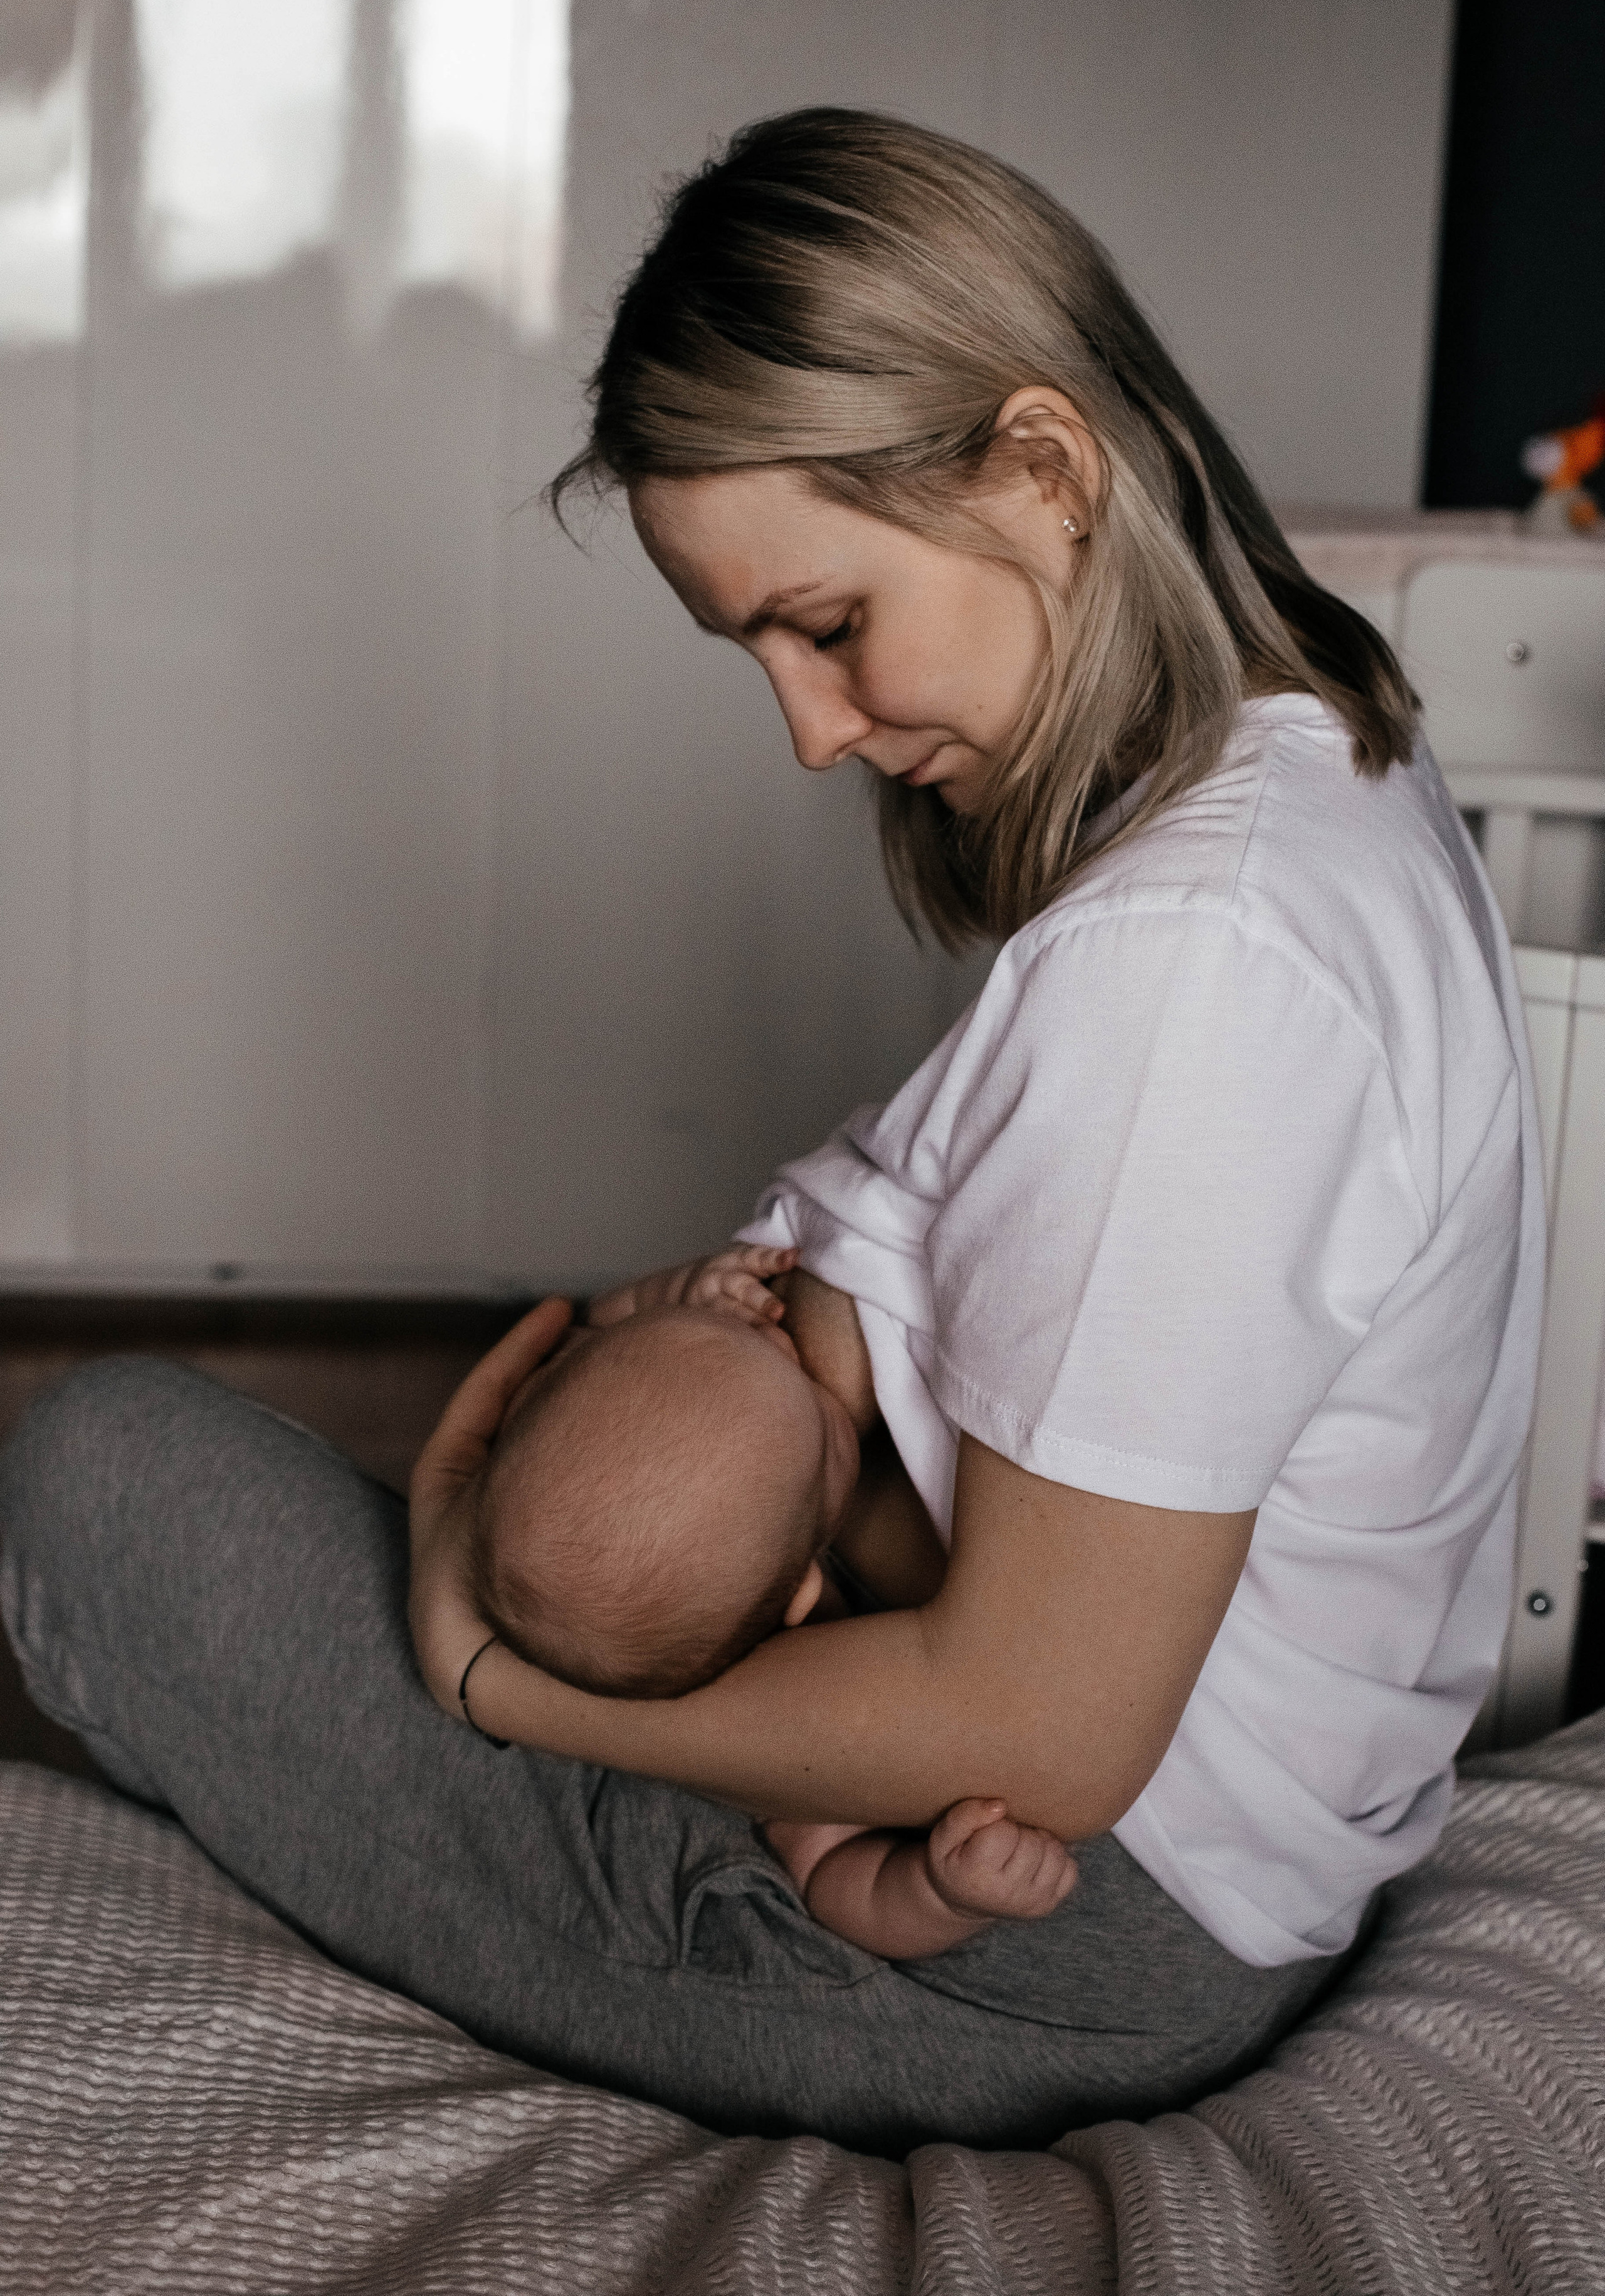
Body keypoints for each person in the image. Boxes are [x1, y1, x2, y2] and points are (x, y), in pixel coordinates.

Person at [0, 108, 1544, 2156]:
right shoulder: (1319, 756)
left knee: (107, 1492)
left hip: (1039, 1950)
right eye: (760, 655)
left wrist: (498, 1682)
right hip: (1151, 1852)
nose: (812, 732)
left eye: (824, 625)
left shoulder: (1201, 974)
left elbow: (1042, 1737)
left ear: (1044, 467)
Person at [468, 1294, 1079, 1957]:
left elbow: (620, 1346)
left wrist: (703, 1297)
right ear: (801, 1593)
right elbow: (831, 1876)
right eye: (819, 1420)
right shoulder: (788, 1707)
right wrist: (940, 1894)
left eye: (755, 1336)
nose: (783, 1342)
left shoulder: (723, 1545)